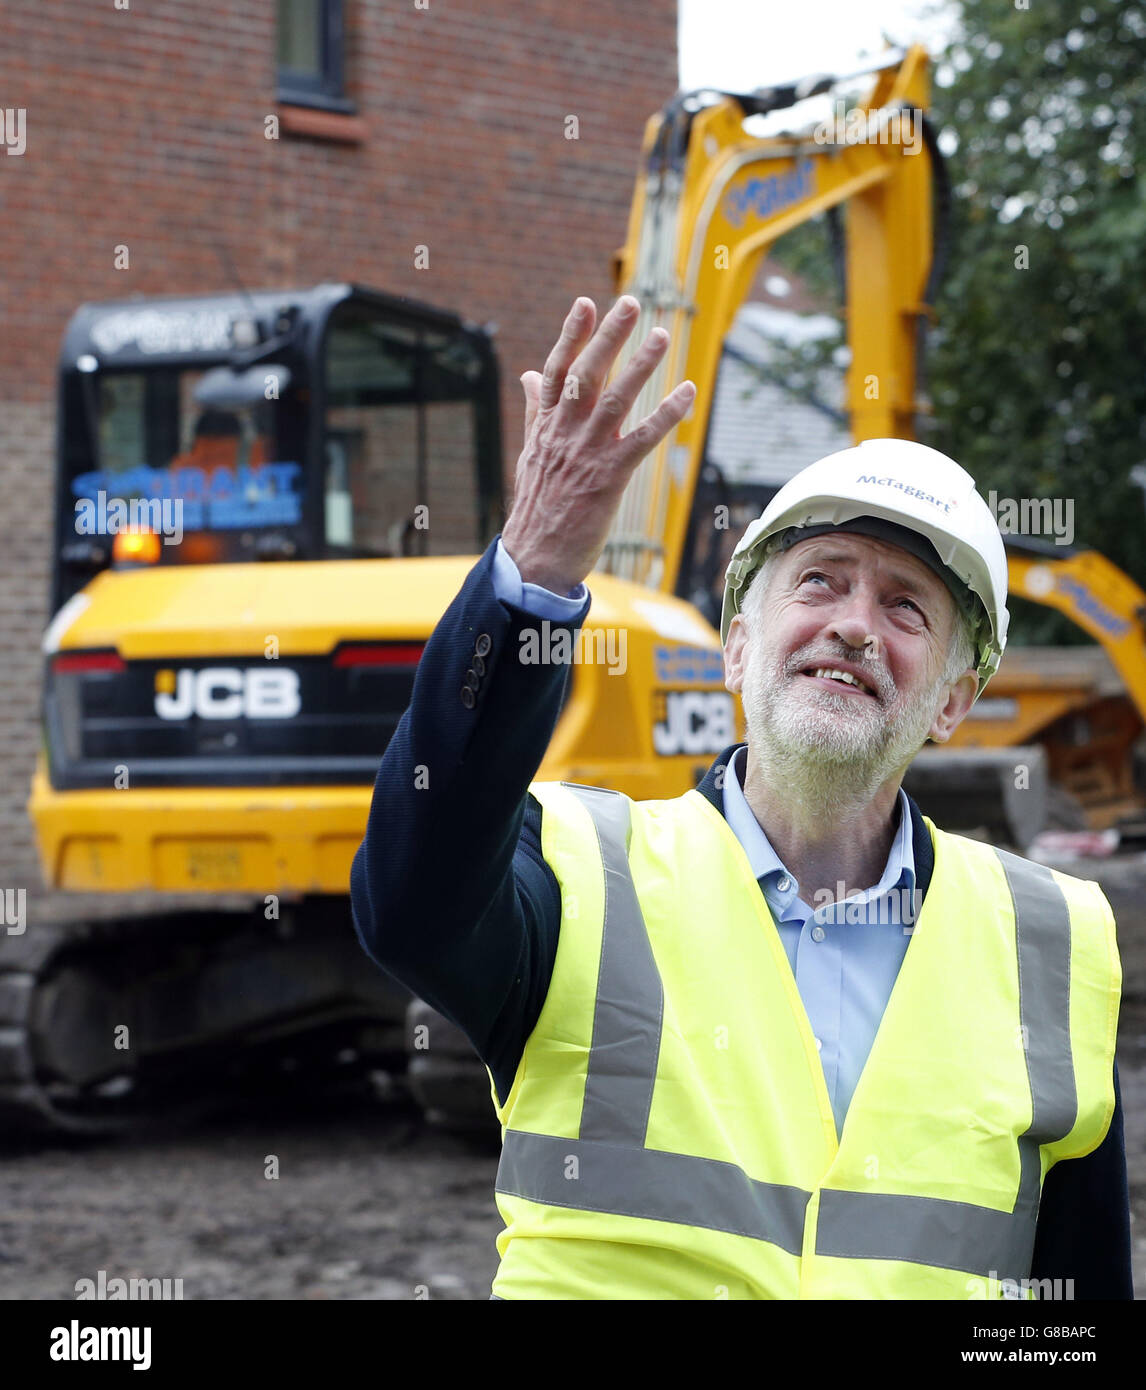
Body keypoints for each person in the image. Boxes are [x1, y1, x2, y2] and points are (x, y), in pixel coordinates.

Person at [350, 295, 1131, 1300]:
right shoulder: (582, 874)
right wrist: (535, 567)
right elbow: (407, 902)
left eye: (905, 607)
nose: (854, 625)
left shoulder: (1049, 944)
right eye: (819, 581)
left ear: (953, 700)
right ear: (735, 646)